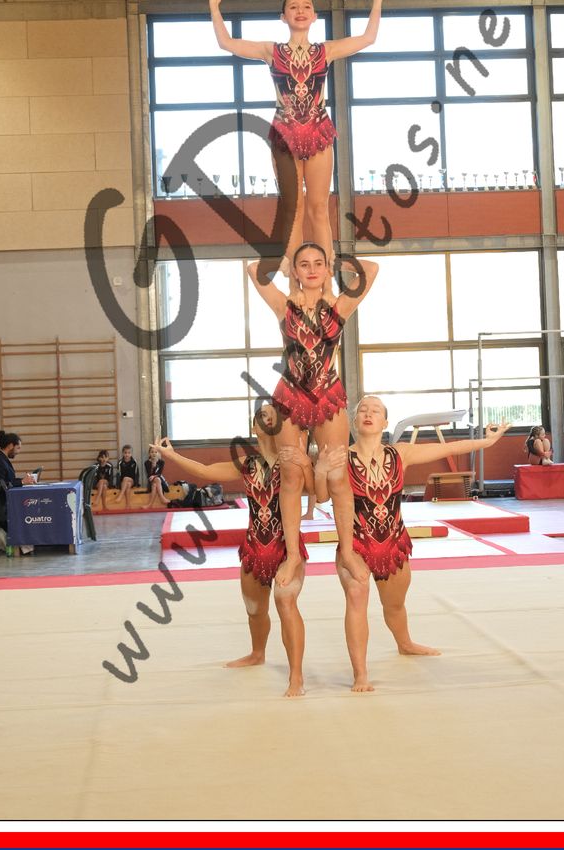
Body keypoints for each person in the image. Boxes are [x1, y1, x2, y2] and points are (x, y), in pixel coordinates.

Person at [203, 0, 395, 271]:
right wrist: (214, 5)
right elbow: (226, 43)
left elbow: (368, 38)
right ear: (284, 17)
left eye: (306, 6)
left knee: (319, 207)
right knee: (293, 208)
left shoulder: (326, 51)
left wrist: (378, 1)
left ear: (315, 16)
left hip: (318, 131)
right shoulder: (272, 51)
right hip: (285, 133)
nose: (300, 10)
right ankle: (295, 278)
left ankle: (325, 276)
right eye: (293, 6)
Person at [332, 395, 511, 692]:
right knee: (356, 596)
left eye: (375, 410)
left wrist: (487, 442)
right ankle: (360, 674)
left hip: (393, 541)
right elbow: (322, 493)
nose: (368, 413)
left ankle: (405, 643)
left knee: (394, 605)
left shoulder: (400, 453)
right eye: (362, 410)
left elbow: (449, 447)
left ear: (385, 422)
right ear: (354, 421)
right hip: (356, 544)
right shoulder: (342, 458)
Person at [151, 403, 311, 697]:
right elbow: (205, 470)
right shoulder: (247, 463)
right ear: (254, 427)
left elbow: (316, 491)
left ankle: (296, 676)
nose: (269, 420)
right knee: (254, 610)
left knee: (286, 603)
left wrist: (307, 462)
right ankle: (257, 653)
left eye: (274, 417)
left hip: (285, 546)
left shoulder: (291, 460)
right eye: (263, 416)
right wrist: (171, 455)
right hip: (254, 545)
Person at [247, 242, 379, 588]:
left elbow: (372, 270)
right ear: (295, 270)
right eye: (304, 264)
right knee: (291, 474)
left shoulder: (339, 306)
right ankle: (293, 554)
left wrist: (338, 261)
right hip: (290, 395)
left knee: (337, 474)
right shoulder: (284, 306)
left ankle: (347, 550)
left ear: (325, 268)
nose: (311, 269)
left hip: (327, 394)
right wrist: (283, 262)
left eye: (318, 263)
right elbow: (253, 270)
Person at [0, 430, 38, 555]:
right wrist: (22, 482)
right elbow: (1, 485)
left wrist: (23, 481)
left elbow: (8, 481)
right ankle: (25, 543)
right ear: (10, 446)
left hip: (4, 499)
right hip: (1, 504)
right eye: (17, 448)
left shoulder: (2, 459)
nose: (18, 452)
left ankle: (31, 541)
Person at [140, 445, 170, 510]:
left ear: (158, 453)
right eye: (152, 452)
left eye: (156, 452)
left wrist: (154, 474)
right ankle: (162, 498)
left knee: (155, 483)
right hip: (151, 480)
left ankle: (150, 504)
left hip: (160, 481)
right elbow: (149, 475)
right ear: (149, 453)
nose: (154, 453)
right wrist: (153, 467)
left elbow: (159, 473)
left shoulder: (161, 462)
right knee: (155, 481)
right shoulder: (147, 463)